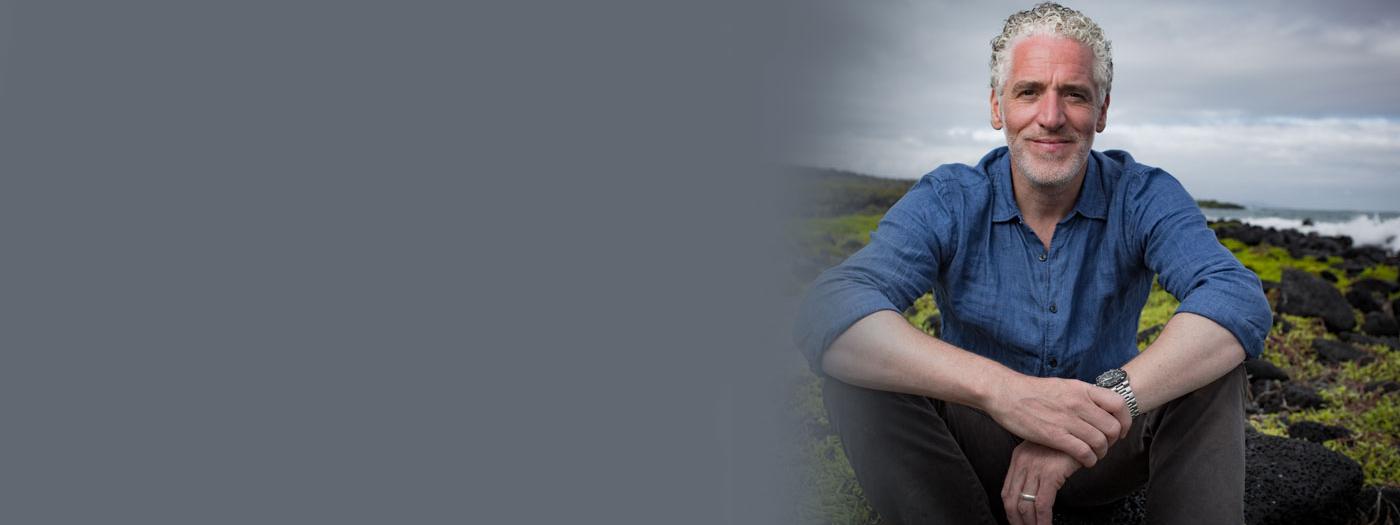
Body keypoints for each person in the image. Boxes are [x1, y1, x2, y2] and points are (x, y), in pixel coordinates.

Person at [793, 3, 1272, 524]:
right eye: (1028, 92)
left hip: (1102, 449)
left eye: (1074, 94)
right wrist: (1008, 394)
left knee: (1215, 369)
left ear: (1102, 110)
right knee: (858, 374)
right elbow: (830, 305)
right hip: (973, 448)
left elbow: (1235, 295)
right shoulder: (951, 197)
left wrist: (1090, 416)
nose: (1051, 116)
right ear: (998, 108)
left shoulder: (1142, 193)